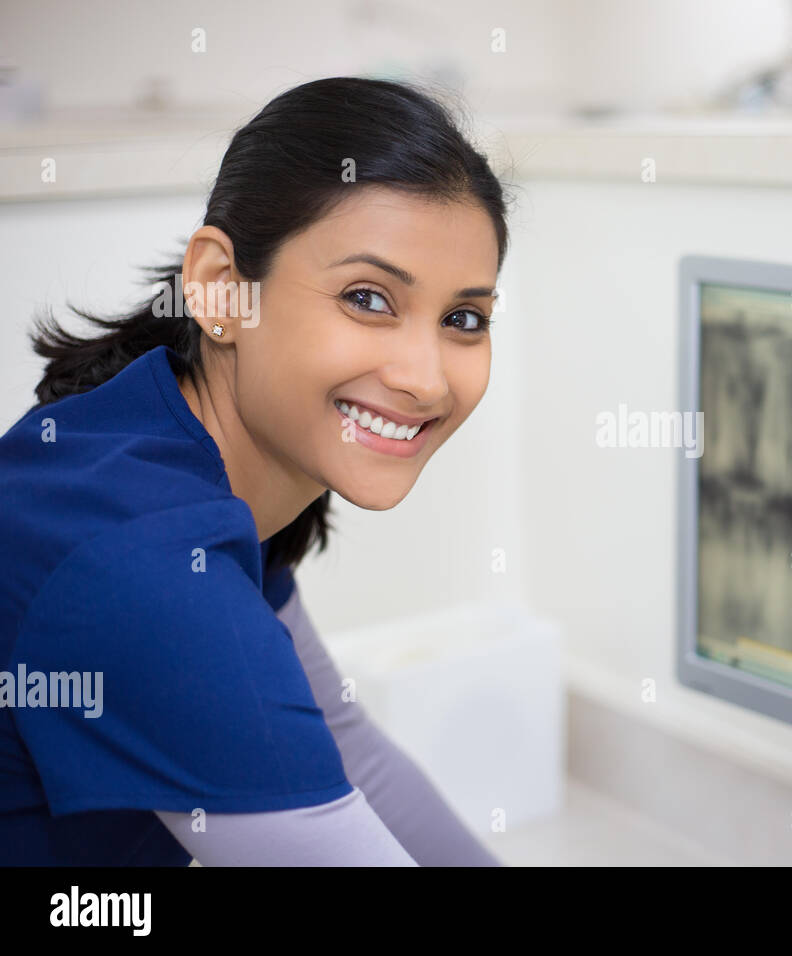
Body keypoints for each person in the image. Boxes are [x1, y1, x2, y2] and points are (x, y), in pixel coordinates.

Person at [0, 76, 511, 866]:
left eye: (463, 319)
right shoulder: (148, 566)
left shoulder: (172, 446)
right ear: (218, 290)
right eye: (368, 298)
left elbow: (352, 756)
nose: (426, 377)